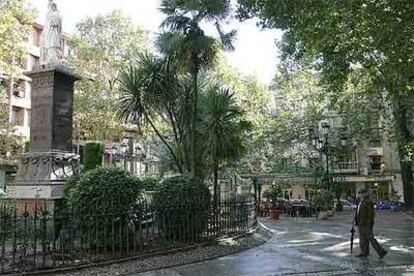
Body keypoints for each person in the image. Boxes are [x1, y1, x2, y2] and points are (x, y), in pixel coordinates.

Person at [355, 187, 387, 258]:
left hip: (366, 224)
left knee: (371, 239)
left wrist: (369, 225)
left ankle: (381, 252)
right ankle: (364, 252)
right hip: (360, 223)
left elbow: (370, 215)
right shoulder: (360, 201)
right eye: (359, 193)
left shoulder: (368, 202)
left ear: (365, 193)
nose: (360, 195)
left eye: (361, 193)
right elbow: (358, 213)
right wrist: (356, 222)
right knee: (363, 239)